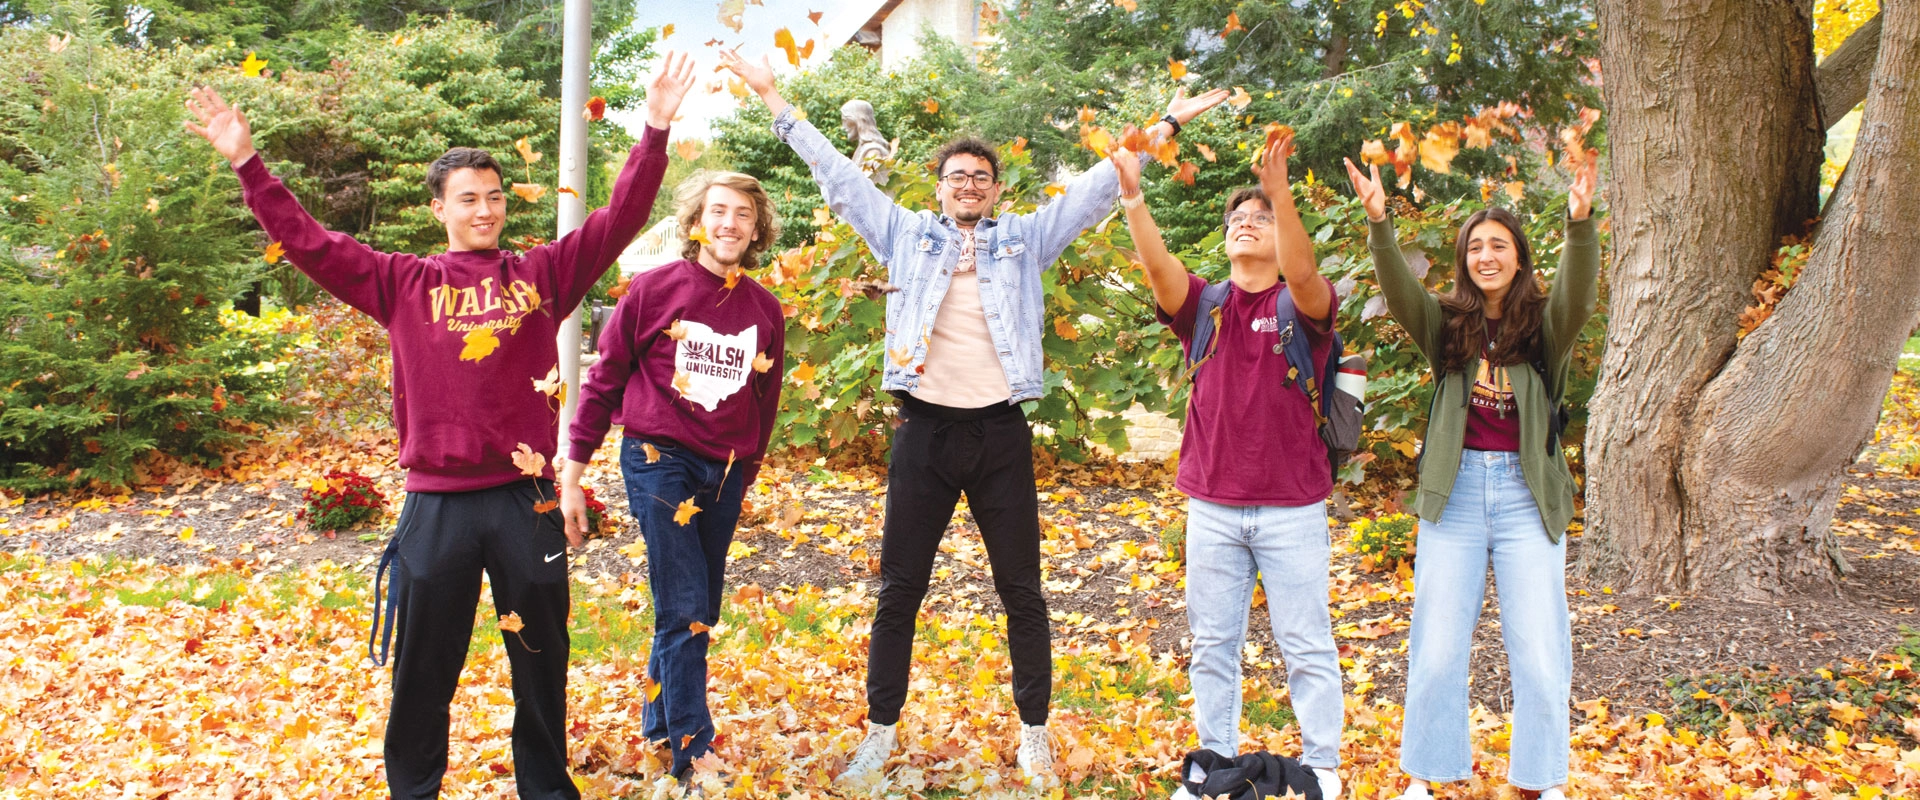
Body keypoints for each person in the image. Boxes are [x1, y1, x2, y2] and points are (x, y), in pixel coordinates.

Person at [184, 51, 694, 799]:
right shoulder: (402, 284)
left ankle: (546, 789)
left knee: (541, 664)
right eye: (467, 199)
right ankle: (412, 789)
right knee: (424, 672)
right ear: (440, 210)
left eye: (493, 197)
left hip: (528, 503)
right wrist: (248, 163)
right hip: (437, 506)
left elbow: (620, 219)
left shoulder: (542, 277)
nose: (484, 210)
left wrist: (653, 129)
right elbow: (309, 243)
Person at [719, 48, 1226, 790]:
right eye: (957, 177)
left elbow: (1100, 181)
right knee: (900, 589)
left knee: (1022, 589)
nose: (968, 186)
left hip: (997, 435)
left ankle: (1034, 732)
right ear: (939, 187)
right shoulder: (900, 231)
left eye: (980, 178)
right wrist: (774, 99)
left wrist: (1171, 119)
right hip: (923, 434)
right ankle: (880, 732)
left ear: (994, 191)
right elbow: (836, 175)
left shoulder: (1026, 239)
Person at [1344, 152, 1599, 800]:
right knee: (1435, 650)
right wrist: (1379, 223)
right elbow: (1401, 294)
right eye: (1476, 246)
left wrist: (1579, 221)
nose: (1487, 255)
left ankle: (1543, 783)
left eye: (1500, 245)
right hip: (1454, 497)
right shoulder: (1449, 324)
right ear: (1465, 259)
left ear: (1518, 256)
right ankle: (1425, 780)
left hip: (1525, 498)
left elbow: (1579, 293)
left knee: (1541, 656)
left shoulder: (1543, 326)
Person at [1109, 131, 1345, 800]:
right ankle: (1214, 764)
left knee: (1305, 644)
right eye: (1238, 218)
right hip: (1211, 506)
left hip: (1291, 505)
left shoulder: (1301, 305)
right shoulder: (1207, 306)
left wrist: (1280, 195)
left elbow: (1303, 274)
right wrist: (1132, 194)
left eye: (1259, 218)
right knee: (1213, 644)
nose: (1246, 222)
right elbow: (1159, 269)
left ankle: (1322, 768)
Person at [558, 168, 786, 791]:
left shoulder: (764, 310)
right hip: (659, 457)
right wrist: (572, 473)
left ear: (757, 228)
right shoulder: (653, 290)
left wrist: (749, 469)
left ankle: (659, 725)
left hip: (726, 470)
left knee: (697, 607)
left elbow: (765, 401)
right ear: (696, 220)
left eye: (742, 213)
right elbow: (604, 380)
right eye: (718, 211)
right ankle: (692, 750)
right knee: (685, 607)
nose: (729, 224)